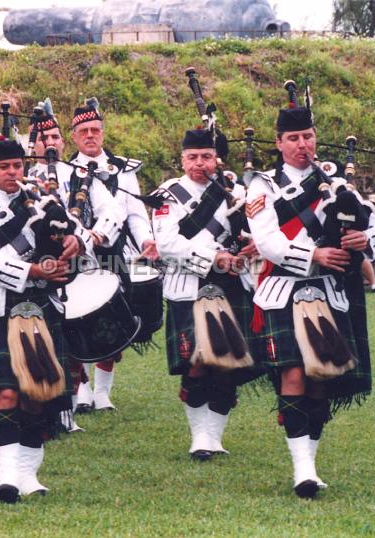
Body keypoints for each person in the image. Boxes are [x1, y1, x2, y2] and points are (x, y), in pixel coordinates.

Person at [245, 93, 375, 498]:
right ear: (279, 143)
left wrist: (364, 239)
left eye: (308, 136)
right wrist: (314, 253)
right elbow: (267, 241)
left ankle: (312, 460)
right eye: (293, 138)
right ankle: (301, 468)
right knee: (293, 373)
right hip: (282, 292)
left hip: (328, 293)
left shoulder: (337, 183)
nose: (302, 145)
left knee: (320, 376)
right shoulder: (262, 186)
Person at [0, 139, 92, 502]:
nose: (12, 173)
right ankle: (5, 476)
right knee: (5, 393)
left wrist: (75, 244)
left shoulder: (44, 201)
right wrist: (34, 269)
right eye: (3, 167)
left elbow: (80, 235)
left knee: (38, 394)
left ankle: (29, 474)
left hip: (43, 303)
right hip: (1, 304)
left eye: (17, 166)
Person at [153, 129, 260, 461]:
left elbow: (256, 230)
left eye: (206, 157)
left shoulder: (236, 190)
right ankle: (199, 435)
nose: (199, 163)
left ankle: (214, 435)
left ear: (217, 159)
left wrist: (254, 245)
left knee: (228, 363)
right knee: (196, 362)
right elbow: (167, 244)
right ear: (183, 159)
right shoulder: (167, 194)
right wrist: (214, 257)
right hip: (189, 286)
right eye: (192, 157)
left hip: (232, 284)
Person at [25, 101, 124, 428]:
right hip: (37, 271)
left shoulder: (80, 174)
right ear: (34, 143)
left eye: (55, 136)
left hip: (80, 263)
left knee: (73, 339)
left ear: (63, 141)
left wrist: (87, 239)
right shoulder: (21, 177)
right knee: (47, 342)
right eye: (43, 137)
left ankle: (68, 411)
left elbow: (112, 212)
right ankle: (52, 406)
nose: (50, 142)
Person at [68, 99, 158, 412]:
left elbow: (135, 211)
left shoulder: (123, 168)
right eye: (84, 131)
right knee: (75, 318)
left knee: (112, 320)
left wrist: (146, 240)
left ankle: (103, 392)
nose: (90, 135)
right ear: (74, 137)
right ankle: (81, 388)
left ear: (103, 133)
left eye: (95, 130)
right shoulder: (65, 170)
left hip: (118, 251)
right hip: (77, 255)